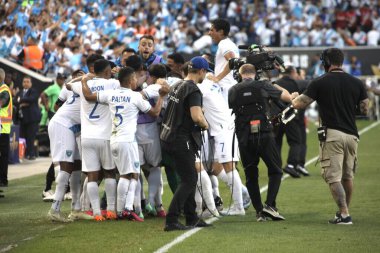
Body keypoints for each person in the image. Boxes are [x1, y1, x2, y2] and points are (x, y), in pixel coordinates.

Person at [291, 48, 369, 225]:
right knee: (347, 176)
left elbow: (300, 104)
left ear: (326, 62)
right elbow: (364, 108)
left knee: (333, 177)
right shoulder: (356, 82)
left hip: (332, 134)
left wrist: (294, 97)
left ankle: (344, 214)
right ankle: (343, 213)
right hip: (352, 134)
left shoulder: (320, 81)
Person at [82, 67, 168, 222]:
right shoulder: (135, 97)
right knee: (133, 174)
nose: (137, 81)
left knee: (126, 174)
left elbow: (88, 96)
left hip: (114, 139)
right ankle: (125, 209)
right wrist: (161, 97)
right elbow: (155, 113)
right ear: (130, 80)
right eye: (135, 78)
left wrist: (83, 81)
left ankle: (123, 210)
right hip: (127, 140)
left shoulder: (111, 94)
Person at [229, 64, 292, 222]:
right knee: (276, 170)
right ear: (255, 73)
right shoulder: (264, 85)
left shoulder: (233, 89)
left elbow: (232, 106)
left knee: (251, 175)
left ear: (241, 74)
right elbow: (287, 97)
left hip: (243, 136)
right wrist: (273, 86)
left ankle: (259, 211)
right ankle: (270, 206)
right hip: (263, 133)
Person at [160, 56, 212, 231]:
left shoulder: (177, 85)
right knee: (190, 179)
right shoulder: (193, 90)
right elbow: (197, 116)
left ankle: (191, 217)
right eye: (206, 73)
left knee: (187, 177)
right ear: (202, 71)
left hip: (168, 137)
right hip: (181, 139)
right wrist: (206, 124)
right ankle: (172, 219)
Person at [71, 58, 119, 221]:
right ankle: (111, 210)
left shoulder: (82, 84)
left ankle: (97, 213)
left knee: (92, 175)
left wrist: (85, 78)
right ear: (107, 72)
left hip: (87, 137)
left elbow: (68, 84)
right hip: (105, 136)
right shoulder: (113, 84)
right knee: (109, 173)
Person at [274, 66, 310, 178]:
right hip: (291, 117)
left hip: (276, 118)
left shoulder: (275, 83)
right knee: (296, 142)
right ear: (293, 72)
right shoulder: (298, 83)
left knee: (276, 143)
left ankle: (276, 167)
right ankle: (291, 164)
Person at [207, 18, 239, 102]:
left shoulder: (224, 43)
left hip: (225, 87)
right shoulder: (230, 44)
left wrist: (217, 78)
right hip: (230, 85)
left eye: (212, 30)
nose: (209, 33)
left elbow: (232, 60)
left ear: (221, 32)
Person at [15, 76, 41, 160]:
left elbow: (31, 99)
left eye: (27, 82)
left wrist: (21, 101)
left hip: (32, 118)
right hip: (22, 118)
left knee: (31, 137)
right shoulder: (20, 92)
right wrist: (22, 102)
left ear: (31, 83)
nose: (25, 83)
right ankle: (24, 153)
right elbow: (15, 100)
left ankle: (31, 154)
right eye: (24, 81)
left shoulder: (33, 91)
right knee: (23, 136)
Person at [0, 68, 12, 187]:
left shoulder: (4, 91)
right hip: (2, 127)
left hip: (3, 128)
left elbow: (1, 103)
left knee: (3, 156)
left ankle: (3, 179)